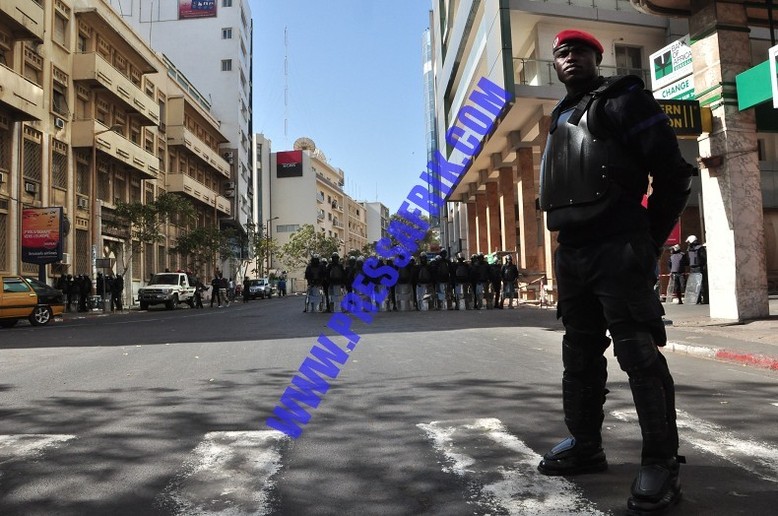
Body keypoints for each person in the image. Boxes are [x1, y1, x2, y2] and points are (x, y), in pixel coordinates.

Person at [536, 29, 694, 515]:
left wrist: (648, 238)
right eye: (562, 53)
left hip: (619, 246)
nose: (571, 58)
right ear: (554, 63)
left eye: (581, 51)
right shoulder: (560, 114)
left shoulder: (624, 99)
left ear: (597, 58)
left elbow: (673, 173)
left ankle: (661, 463)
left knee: (638, 354)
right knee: (580, 353)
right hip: (573, 252)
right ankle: (586, 445)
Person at [685, 235, 708, 304]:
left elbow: (704, 258)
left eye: (689, 242)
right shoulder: (689, 249)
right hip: (693, 268)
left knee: (701, 284)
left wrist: (703, 267)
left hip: (699, 268)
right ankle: (697, 299)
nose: (688, 243)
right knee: (694, 284)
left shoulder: (700, 248)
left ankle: (705, 299)